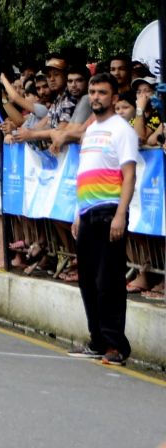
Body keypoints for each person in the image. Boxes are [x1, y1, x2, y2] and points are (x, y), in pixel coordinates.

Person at [67, 73, 137, 366]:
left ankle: (115, 346)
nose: (95, 96)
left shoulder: (122, 130)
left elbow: (129, 174)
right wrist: (77, 214)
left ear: (114, 97)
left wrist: (121, 214)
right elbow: (84, 172)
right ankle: (97, 340)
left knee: (108, 281)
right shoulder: (91, 129)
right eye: (93, 91)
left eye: (102, 92)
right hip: (87, 213)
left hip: (110, 212)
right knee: (87, 281)